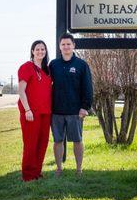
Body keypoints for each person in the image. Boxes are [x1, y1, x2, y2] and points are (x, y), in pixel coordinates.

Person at [50, 33, 93, 176]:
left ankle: (79, 169)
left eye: (69, 44)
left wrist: (84, 107)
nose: (66, 47)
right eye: (63, 44)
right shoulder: (53, 65)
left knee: (77, 140)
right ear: (59, 47)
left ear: (73, 45)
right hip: (56, 111)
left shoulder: (81, 65)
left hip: (76, 111)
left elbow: (87, 87)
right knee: (58, 141)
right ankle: (59, 168)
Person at [17, 40, 52, 181]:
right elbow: (21, 90)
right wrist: (27, 110)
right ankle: (28, 175)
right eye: (37, 49)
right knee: (31, 144)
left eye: (43, 49)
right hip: (31, 113)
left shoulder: (47, 70)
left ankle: (37, 171)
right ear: (32, 51)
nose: (40, 51)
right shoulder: (27, 67)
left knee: (42, 143)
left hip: (46, 112)